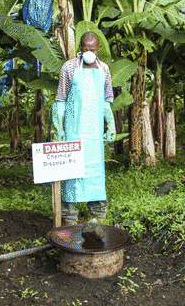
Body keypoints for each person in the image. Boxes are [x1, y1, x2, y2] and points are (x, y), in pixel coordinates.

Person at [52, 31, 116, 226]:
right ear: (80, 48)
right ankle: (69, 216)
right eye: (85, 48)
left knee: (96, 173)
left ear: (98, 49)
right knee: (71, 173)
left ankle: (98, 215)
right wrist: (59, 129)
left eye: (92, 48)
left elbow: (107, 102)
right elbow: (60, 100)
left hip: (95, 135)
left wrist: (111, 125)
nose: (89, 51)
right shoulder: (69, 68)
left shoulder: (104, 69)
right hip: (73, 131)